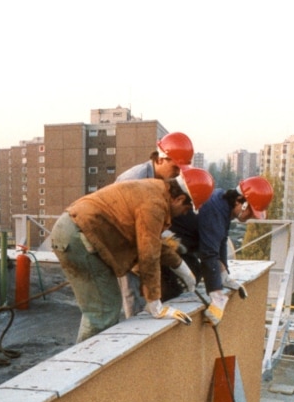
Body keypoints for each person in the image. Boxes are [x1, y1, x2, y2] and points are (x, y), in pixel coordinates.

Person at [50, 166, 215, 342]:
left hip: (75, 231)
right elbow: (148, 254)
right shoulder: (155, 205)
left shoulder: (156, 191)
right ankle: (83, 365)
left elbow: (152, 243)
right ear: (180, 198)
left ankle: (91, 361)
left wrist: (181, 268)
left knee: (104, 307)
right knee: (103, 310)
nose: (185, 213)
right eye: (187, 208)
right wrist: (154, 303)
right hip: (77, 236)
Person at [166, 175, 274, 325]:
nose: (250, 217)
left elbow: (221, 240)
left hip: (179, 246)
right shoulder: (216, 208)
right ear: (240, 201)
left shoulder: (223, 204)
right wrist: (216, 295)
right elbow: (209, 253)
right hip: (163, 244)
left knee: (195, 274)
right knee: (180, 280)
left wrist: (224, 274)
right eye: (251, 211)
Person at [115, 132, 197, 317]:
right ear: (161, 159)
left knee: (142, 286)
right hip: (122, 238)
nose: (177, 173)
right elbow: (123, 218)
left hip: (138, 236)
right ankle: (134, 334)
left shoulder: (161, 181)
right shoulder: (136, 178)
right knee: (131, 291)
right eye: (175, 168)